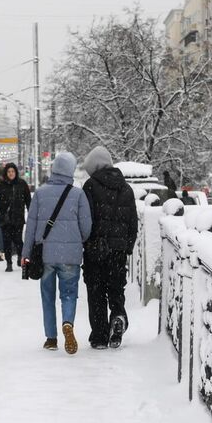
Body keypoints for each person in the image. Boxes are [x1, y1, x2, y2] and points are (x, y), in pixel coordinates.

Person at [24, 151, 92, 354]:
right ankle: (68, 323)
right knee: (69, 294)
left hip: (45, 255)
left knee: (47, 296)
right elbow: (86, 227)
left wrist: (26, 253)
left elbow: (31, 226)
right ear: (70, 170)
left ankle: (51, 338)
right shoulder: (78, 194)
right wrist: (76, 240)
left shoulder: (40, 193)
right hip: (70, 255)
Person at [80, 146, 139, 350]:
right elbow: (133, 221)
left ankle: (99, 336)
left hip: (95, 248)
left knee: (96, 292)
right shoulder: (126, 188)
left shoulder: (89, 186)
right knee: (115, 288)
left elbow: (84, 219)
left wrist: (85, 242)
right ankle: (118, 316)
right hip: (119, 251)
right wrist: (127, 246)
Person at [0, 161, 33, 270]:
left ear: (16, 172)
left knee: (18, 240)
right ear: (6, 173)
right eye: (9, 171)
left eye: (13, 171)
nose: (11, 173)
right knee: (6, 241)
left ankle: (20, 257)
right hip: (4, 218)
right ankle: (9, 263)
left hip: (18, 218)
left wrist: (31, 214)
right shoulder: (1, 185)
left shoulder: (22, 184)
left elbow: (28, 200)